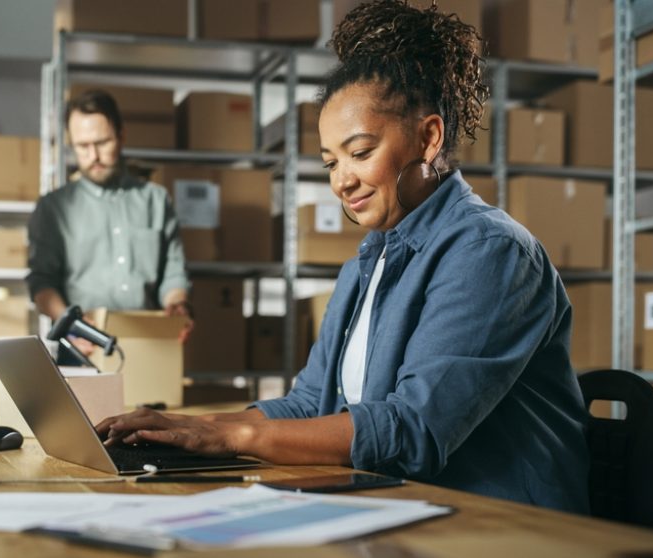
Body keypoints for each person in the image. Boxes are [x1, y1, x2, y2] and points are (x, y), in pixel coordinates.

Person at [96, 0, 590, 514]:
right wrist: (191, 427)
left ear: (429, 137)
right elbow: (310, 404)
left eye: (360, 152)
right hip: (404, 506)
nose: (341, 180)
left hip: (504, 524)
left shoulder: (491, 252)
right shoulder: (367, 261)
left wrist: (231, 437)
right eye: (331, 162)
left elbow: (413, 430)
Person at [27, 89, 192, 352]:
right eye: (82, 146)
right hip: (81, 347)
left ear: (121, 136)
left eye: (102, 142)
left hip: (148, 343)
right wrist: (69, 322)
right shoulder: (53, 208)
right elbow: (41, 281)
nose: (93, 156)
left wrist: (176, 304)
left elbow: (173, 274)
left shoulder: (156, 200)